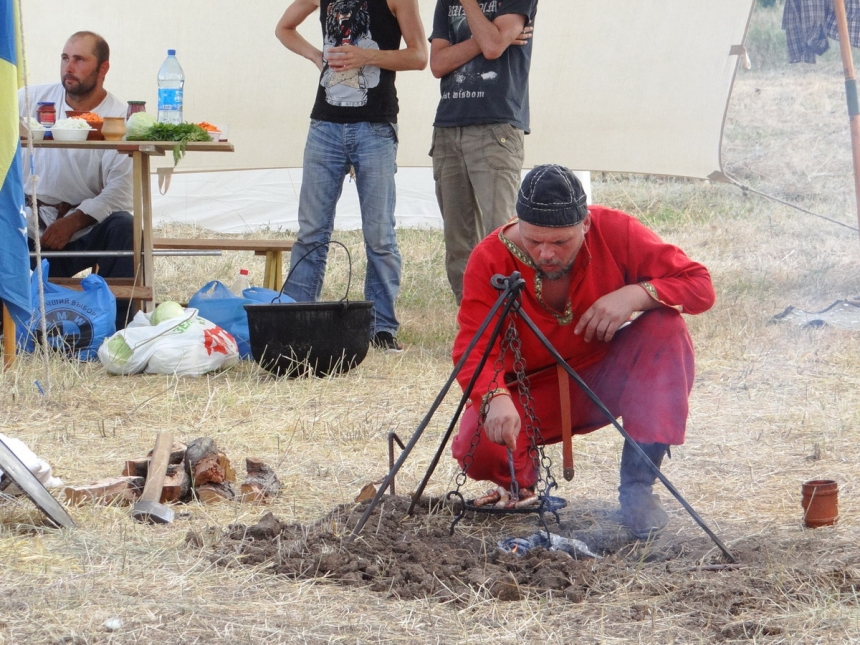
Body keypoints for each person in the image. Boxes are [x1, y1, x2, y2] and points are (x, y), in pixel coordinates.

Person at [450, 164, 716, 539]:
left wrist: (634, 295)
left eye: (561, 243)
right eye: (534, 241)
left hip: (605, 376)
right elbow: (473, 346)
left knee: (665, 330)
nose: (546, 254)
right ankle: (521, 486)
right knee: (478, 449)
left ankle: (638, 489)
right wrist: (493, 397)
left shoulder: (616, 231)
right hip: (530, 392)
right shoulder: (490, 258)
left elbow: (699, 285)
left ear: (586, 225)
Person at [276, 0, 428, 353]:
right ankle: (297, 321)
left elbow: (419, 56)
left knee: (379, 234)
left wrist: (366, 57)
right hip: (324, 124)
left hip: (374, 126)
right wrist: (317, 56)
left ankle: (381, 329)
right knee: (311, 230)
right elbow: (284, 28)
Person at [18, 31, 135, 331]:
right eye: (65, 58)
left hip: (82, 231)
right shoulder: (30, 100)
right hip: (28, 224)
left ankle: (119, 329)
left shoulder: (118, 118)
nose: (69, 67)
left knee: (124, 226)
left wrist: (74, 221)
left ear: (103, 69)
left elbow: (120, 190)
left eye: (80, 60)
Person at [429, 0, 538, 303]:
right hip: (449, 127)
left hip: (496, 128)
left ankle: (511, 321)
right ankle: (474, 323)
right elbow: (437, 64)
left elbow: (492, 48)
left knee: (502, 237)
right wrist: (490, 37)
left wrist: (483, 28)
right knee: (458, 242)